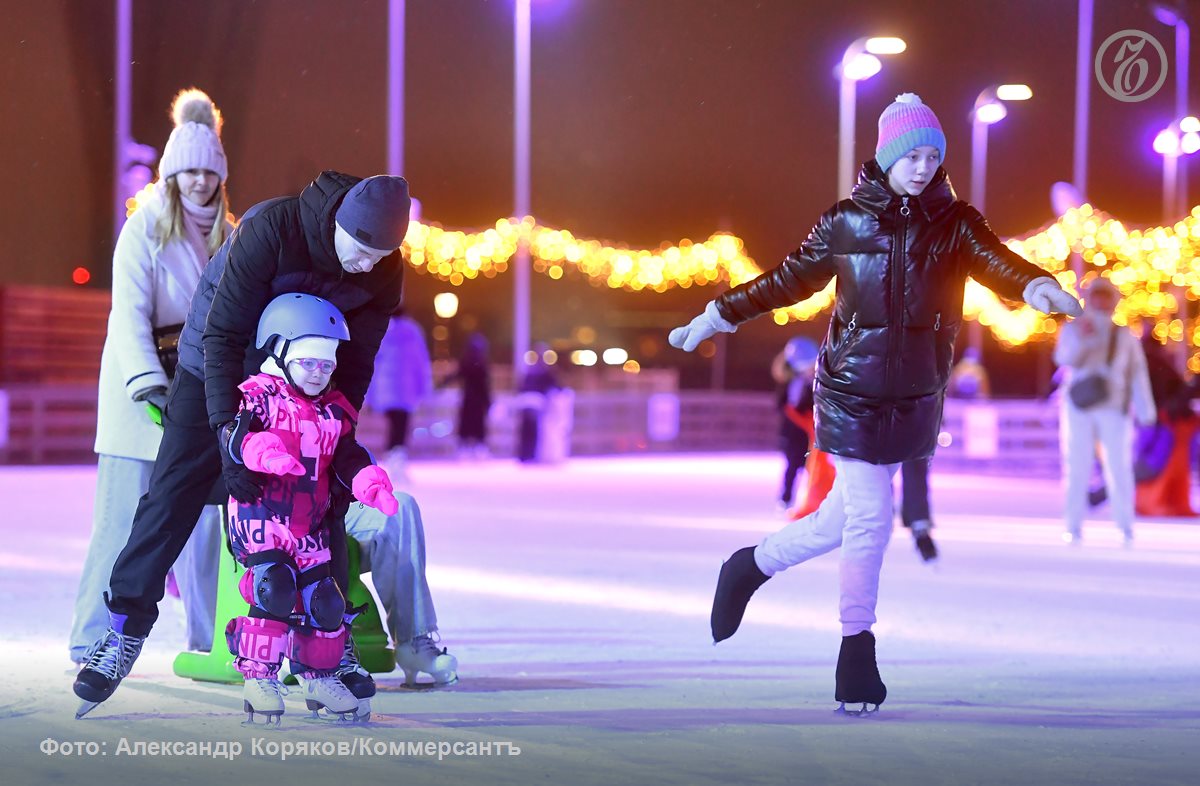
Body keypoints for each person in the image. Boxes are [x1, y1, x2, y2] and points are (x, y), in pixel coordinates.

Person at [670, 93, 1083, 713]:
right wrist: (715, 317)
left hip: (916, 399)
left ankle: (748, 566)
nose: (921, 167)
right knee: (870, 520)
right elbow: (787, 280)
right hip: (850, 394)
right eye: (910, 155)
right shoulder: (846, 221)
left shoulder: (957, 223)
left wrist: (1037, 286)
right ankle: (856, 654)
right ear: (887, 158)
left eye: (931, 156)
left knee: (840, 520)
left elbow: (1001, 263)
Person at [73, 170, 440, 719]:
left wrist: (338, 428)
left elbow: (358, 362)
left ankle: (329, 645)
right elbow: (220, 334)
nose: (368, 263)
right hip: (217, 366)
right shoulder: (274, 228)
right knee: (171, 496)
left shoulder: (384, 268)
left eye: (381, 253)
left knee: (322, 506)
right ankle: (123, 630)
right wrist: (228, 431)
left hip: (306, 378)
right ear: (339, 225)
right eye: (362, 249)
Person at [70, 89, 231, 667]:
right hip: (139, 389)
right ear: (170, 175)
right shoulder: (142, 231)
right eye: (186, 170)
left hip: (194, 389)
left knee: (204, 521)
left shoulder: (228, 237)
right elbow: (128, 316)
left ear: (219, 175)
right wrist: (146, 385)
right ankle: (92, 637)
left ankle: (211, 640)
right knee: (120, 522)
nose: (197, 182)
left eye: (206, 171)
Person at [224, 294, 398, 724]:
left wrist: (367, 481)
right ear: (280, 354)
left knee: (324, 601)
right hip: (262, 516)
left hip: (310, 522)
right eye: (308, 363)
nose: (318, 374)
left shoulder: (332, 411)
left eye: (326, 365)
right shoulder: (260, 396)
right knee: (275, 588)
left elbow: (346, 455)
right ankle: (258, 675)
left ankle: (318, 675)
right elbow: (235, 435)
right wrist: (261, 452)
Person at [1053, 276, 1156, 545]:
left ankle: (1125, 525)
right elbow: (1064, 360)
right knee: (1077, 465)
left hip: (1114, 406)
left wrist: (1146, 411)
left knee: (1119, 466)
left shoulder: (1124, 335)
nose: (1101, 301)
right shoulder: (1074, 328)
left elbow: (1137, 374)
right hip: (1079, 406)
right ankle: (1072, 525)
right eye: (1096, 295)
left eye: (1105, 296)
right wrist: (1085, 340)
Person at [365, 306, 433, 481]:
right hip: (406, 388)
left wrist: (371, 395)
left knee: (394, 425)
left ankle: (393, 458)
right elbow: (421, 362)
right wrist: (424, 389)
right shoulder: (413, 332)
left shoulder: (383, 330)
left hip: (385, 388)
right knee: (401, 425)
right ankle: (397, 459)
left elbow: (373, 362)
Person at [771, 336, 817, 510]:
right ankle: (786, 498)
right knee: (792, 466)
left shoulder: (814, 382)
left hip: (810, 434)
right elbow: (780, 404)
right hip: (792, 434)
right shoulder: (789, 381)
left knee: (811, 467)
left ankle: (814, 499)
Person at [446, 332, 492, 458]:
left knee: (469, 425)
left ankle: (467, 449)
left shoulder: (468, 362)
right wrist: (488, 402)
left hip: (469, 399)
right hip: (476, 400)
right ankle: (476, 449)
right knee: (476, 426)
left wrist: (443, 382)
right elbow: (485, 386)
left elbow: (457, 375)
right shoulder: (480, 364)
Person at [515, 342, 562, 463]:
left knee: (526, 430)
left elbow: (521, 387)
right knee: (533, 430)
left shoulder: (531, 370)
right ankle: (530, 455)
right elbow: (555, 385)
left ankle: (524, 455)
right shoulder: (544, 370)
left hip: (526, 402)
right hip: (535, 403)